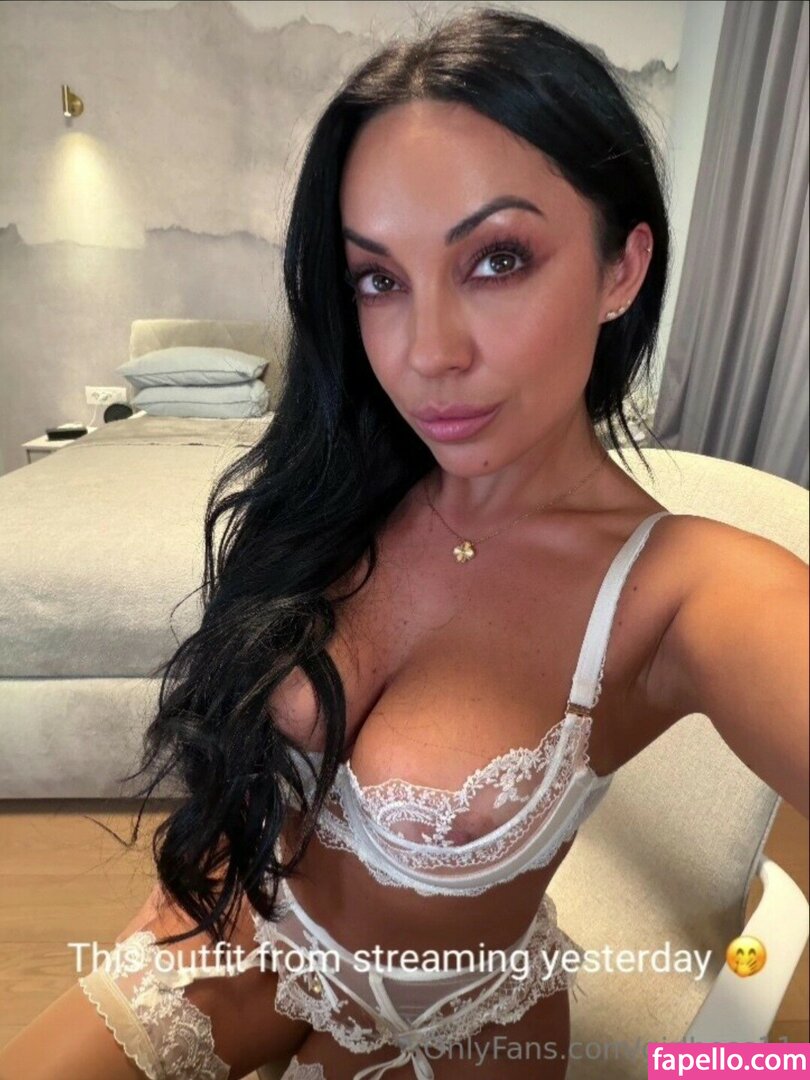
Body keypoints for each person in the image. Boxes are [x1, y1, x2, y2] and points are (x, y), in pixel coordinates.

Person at [2, 7, 807, 1080]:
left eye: (498, 259)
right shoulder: (338, 481)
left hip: (448, 1025)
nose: (427, 353)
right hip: (237, 931)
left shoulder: (689, 589)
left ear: (622, 268)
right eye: (378, 279)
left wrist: (758, 1068)